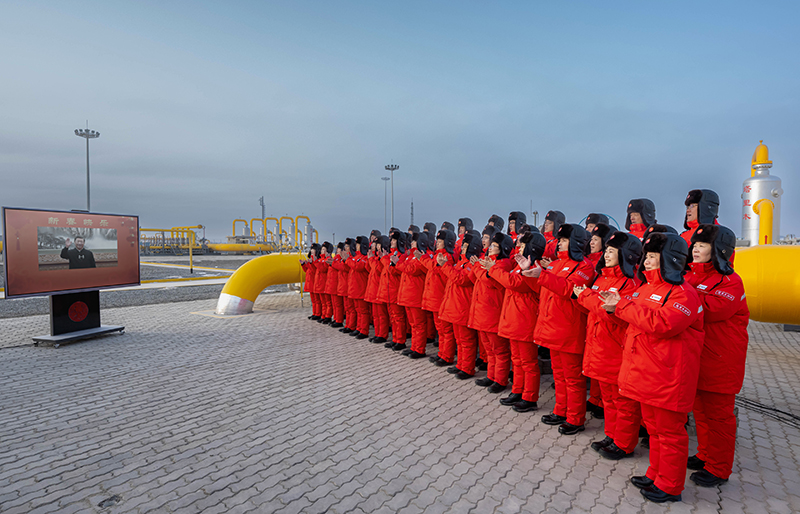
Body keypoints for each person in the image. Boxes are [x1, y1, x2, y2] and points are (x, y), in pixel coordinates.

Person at [604, 232, 704, 503]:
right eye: (646, 257)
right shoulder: (646, 288)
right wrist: (617, 305)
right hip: (647, 372)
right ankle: (655, 474)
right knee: (654, 428)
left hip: (669, 375)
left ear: (669, 260)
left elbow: (663, 324)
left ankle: (670, 486)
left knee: (670, 432)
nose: (646, 262)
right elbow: (635, 316)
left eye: (652, 257)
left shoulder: (684, 294)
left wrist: (622, 306)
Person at [685, 224, 749, 488]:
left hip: (721, 361)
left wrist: (679, 295)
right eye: (695, 245)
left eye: (703, 245)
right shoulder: (690, 276)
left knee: (719, 417)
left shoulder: (730, 282)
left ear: (719, 250)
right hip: (698, 357)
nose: (696, 249)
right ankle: (705, 454)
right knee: (700, 411)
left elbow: (709, 310)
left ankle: (719, 468)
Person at [574, 231, 643, 459]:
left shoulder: (630, 283)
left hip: (617, 349)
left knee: (623, 402)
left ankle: (624, 443)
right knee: (609, 399)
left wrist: (586, 297)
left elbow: (612, 314)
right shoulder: (602, 278)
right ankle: (612, 435)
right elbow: (597, 308)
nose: (606, 255)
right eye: (606, 251)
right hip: (599, 346)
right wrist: (584, 298)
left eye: (611, 252)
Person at [525, 223, 596, 435]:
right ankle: (560, 410)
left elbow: (569, 290)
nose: (559, 244)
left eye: (564, 240)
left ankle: (575, 418)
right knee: (559, 375)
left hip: (569, 329)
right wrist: (527, 272)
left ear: (575, 243)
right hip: (552, 327)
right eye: (560, 240)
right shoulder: (555, 264)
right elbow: (542, 287)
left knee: (573, 378)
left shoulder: (584, 267)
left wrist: (542, 275)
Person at [489, 231, 547, 411]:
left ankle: (529, 397)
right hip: (514, 319)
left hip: (525, 320)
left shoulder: (534, 268)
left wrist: (493, 269)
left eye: (522, 246)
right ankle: (517, 391)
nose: (519, 249)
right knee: (517, 360)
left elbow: (514, 283)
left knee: (528, 362)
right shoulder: (520, 267)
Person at [469, 231, 515, 393]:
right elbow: (476, 277)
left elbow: (488, 279)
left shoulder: (503, 264)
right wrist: (481, 266)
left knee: (499, 350)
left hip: (493, 312)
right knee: (489, 349)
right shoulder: (489, 262)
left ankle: (500, 379)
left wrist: (477, 266)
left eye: (495, 246)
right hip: (482, 311)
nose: (490, 248)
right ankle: (491, 375)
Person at [438, 230, 482, 379]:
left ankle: (468, 368)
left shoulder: (470, 264)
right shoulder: (462, 262)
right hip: (456, 305)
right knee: (459, 339)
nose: (462, 249)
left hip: (464, 306)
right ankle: (461, 365)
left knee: (466, 340)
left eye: (465, 247)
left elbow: (462, 280)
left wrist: (445, 266)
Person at [398, 232, 431, 358]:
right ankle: (414, 347)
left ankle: (420, 349)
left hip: (416, 294)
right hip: (408, 294)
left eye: (414, 241)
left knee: (419, 324)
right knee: (413, 324)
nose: (411, 243)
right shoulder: (410, 256)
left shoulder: (421, 257)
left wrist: (399, 263)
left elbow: (413, 270)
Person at [427, 229, 457, 367]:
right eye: (437, 241)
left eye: (440, 241)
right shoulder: (437, 255)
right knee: (441, 330)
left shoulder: (447, 257)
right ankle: (441, 353)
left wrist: (439, 264)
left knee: (446, 330)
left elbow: (440, 273)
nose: (437, 243)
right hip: (435, 296)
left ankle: (447, 356)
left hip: (442, 297)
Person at [384, 231, 410, 350]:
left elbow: (399, 272)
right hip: (392, 289)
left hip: (397, 289)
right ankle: (395, 338)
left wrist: (395, 263)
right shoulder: (394, 255)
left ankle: (400, 340)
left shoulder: (403, 256)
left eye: (394, 240)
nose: (391, 242)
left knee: (398, 317)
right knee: (393, 317)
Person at [346, 236, 372, 339]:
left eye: (358, 245)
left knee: (363, 311)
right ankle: (359, 328)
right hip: (355, 288)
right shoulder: (356, 257)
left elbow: (358, 267)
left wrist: (347, 260)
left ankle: (364, 330)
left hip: (361, 288)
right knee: (358, 310)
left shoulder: (364, 258)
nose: (356, 247)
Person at [368, 236, 391, 344]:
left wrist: (371, 259)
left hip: (379, 288)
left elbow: (378, 269)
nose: (376, 247)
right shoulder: (378, 257)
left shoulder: (384, 258)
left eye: (377, 244)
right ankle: (377, 333)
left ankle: (382, 334)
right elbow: (370, 269)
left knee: (382, 315)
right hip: (374, 288)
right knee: (376, 315)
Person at [326, 243, 345, 328]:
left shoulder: (341, 259)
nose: (337, 250)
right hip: (333, 284)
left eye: (339, 249)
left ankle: (339, 320)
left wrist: (332, 263)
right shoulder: (336, 258)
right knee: (335, 304)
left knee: (338, 304)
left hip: (337, 284)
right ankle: (336, 318)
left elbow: (341, 268)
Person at [300, 244, 320, 320]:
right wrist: (303, 264)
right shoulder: (310, 260)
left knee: (317, 300)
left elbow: (314, 270)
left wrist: (312, 263)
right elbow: (307, 270)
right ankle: (314, 313)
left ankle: (318, 313)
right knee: (313, 300)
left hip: (314, 282)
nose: (312, 251)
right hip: (310, 282)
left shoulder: (316, 260)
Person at [315, 242, 333, 324]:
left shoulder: (327, 259)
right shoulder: (321, 259)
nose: (321, 251)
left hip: (325, 283)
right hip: (320, 283)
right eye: (322, 249)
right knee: (323, 302)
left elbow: (323, 269)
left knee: (327, 302)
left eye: (323, 249)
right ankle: (323, 315)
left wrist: (315, 262)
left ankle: (328, 316)